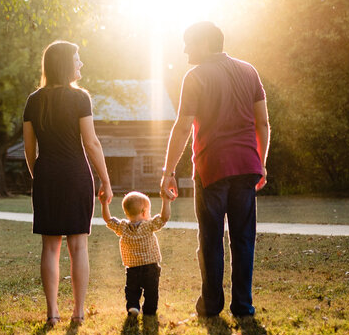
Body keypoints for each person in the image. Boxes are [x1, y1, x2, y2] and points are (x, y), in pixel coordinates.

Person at [161, 21, 270, 317]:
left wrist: (168, 171)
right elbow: (262, 123)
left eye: (189, 43)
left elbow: (184, 126)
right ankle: (243, 306)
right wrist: (261, 162)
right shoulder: (250, 71)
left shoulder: (195, 76)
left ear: (206, 43)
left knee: (210, 239)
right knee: (243, 238)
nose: (184, 49)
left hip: (213, 168)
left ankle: (210, 306)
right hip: (247, 166)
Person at [23, 41, 113, 325]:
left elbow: (29, 150)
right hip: (76, 174)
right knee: (78, 246)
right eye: (76, 58)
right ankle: (78, 313)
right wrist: (106, 181)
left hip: (47, 174)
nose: (81, 63)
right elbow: (92, 143)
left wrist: (40, 178)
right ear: (64, 63)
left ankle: (52, 313)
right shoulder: (80, 98)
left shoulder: (33, 101)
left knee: (50, 247)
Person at [100, 190, 171, 316]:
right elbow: (164, 218)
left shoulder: (122, 227)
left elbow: (108, 220)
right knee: (151, 291)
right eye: (148, 211)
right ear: (144, 212)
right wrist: (166, 201)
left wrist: (104, 203)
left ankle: (133, 307)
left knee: (132, 290)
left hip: (132, 269)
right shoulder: (149, 225)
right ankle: (149, 311)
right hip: (150, 267)